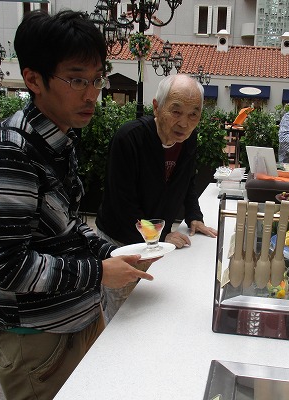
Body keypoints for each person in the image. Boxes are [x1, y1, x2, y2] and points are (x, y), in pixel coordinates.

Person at [0, 10, 156, 399]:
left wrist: (114, 253)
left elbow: (69, 226)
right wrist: (98, 272)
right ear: (33, 79)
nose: (91, 94)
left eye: (97, 79)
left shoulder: (55, 141)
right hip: (40, 343)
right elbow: (6, 267)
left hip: (80, 322)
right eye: (76, 80)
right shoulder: (8, 152)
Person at [96, 74, 218, 321]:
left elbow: (188, 180)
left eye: (193, 114)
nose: (184, 123)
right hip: (121, 241)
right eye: (176, 111)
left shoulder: (188, 139)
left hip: (154, 240)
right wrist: (162, 237)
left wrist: (194, 216)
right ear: (156, 107)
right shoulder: (129, 138)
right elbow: (123, 205)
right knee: (123, 318)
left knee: (152, 313)